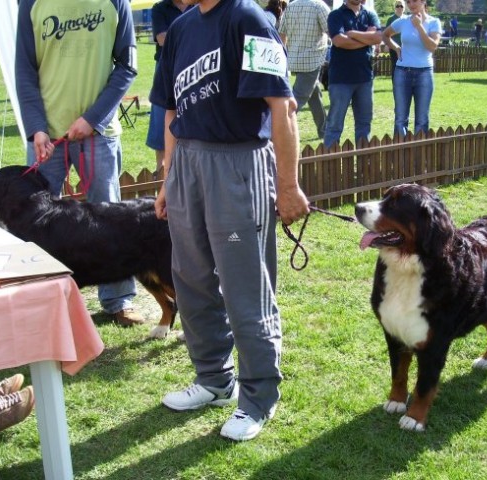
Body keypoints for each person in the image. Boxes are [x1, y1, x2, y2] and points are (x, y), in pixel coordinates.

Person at [150, 0, 310, 441]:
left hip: (239, 164)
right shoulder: (181, 28)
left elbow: (282, 106)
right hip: (188, 164)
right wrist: (168, 180)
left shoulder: (249, 19)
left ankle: (258, 397)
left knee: (245, 288)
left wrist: (289, 184)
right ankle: (214, 380)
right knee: (191, 279)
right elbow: (170, 110)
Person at [15, 0, 143, 327]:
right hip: (47, 137)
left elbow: (127, 65)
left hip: (98, 133)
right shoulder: (30, 3)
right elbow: (24, 70)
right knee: (36, 225)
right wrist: (36, 128)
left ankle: (118, 300)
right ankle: (43, 303)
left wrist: (93, 118)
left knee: (110, 217)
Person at [323, 0, 382, 148]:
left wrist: (353, 34)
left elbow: (378, 38)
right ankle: (331, 168)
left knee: (364, 125)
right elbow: (339, 41)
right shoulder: (335, 15)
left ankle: (364, 168)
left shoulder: (370, 14)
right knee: (334, 126)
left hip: (365, 78)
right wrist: (366, 39)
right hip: (341, 79)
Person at [382, 0, 440, 137]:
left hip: (424, 73)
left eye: (414, 1)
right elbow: (385, 35)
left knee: (422, 120)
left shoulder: (433, 22)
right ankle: (400, 156)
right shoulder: (403, 21)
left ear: (423, 2)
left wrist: (419, 27)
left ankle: (419, 156)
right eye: (408, 1)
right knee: (400, 119)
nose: (411, 4)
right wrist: (396, 48)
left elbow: (432, 47)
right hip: (402, 73)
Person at [147, 0, 190, 177]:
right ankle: (161, 171)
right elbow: (162, 39)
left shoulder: (196, 6)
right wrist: (192, 37)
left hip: (191, 66)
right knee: (160, 121)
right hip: (167, 68)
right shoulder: (160, 8)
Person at [278, 0, 330, 139]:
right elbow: (331, 31)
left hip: (294, 59)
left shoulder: (291, 6)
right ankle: (275, 133)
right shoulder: (319, 6)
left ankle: (324, 131)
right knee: (297, 100)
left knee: (314, 95)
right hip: (312, 60)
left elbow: (282, 34)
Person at [385, 1, 405, 78]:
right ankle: (395, 85)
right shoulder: (391, 19)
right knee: (395, 65)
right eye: (397, 6)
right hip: (393, 46)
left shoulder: (406, 19)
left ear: (404, 8)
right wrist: (387, 44)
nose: (399, 8)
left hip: (405, 47)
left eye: (401, 6)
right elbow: (386, 34)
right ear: (395, 7)